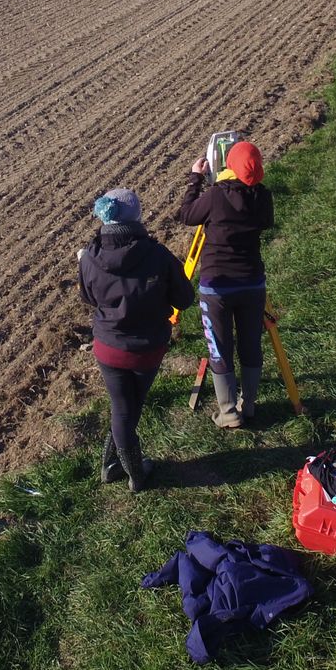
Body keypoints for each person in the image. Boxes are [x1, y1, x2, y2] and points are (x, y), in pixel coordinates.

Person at [78, 188, 194, 490]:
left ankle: (110, 466)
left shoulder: (89, 256)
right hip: (147, 349)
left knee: (122, 408)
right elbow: (184, 299)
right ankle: (136, 475)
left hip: (107, 347)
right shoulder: (157, 254)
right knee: (128, 409)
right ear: (137, 217)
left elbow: (88, 297)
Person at [176, 141, 273, 428]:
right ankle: (250, 404)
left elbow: (186, 215)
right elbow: (266, 222)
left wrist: (196, 179)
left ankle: (229, 412)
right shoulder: (262, 196)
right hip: (252, 283)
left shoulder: (216, 196)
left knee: (220, 346)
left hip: (217, 287)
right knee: (250, 344)